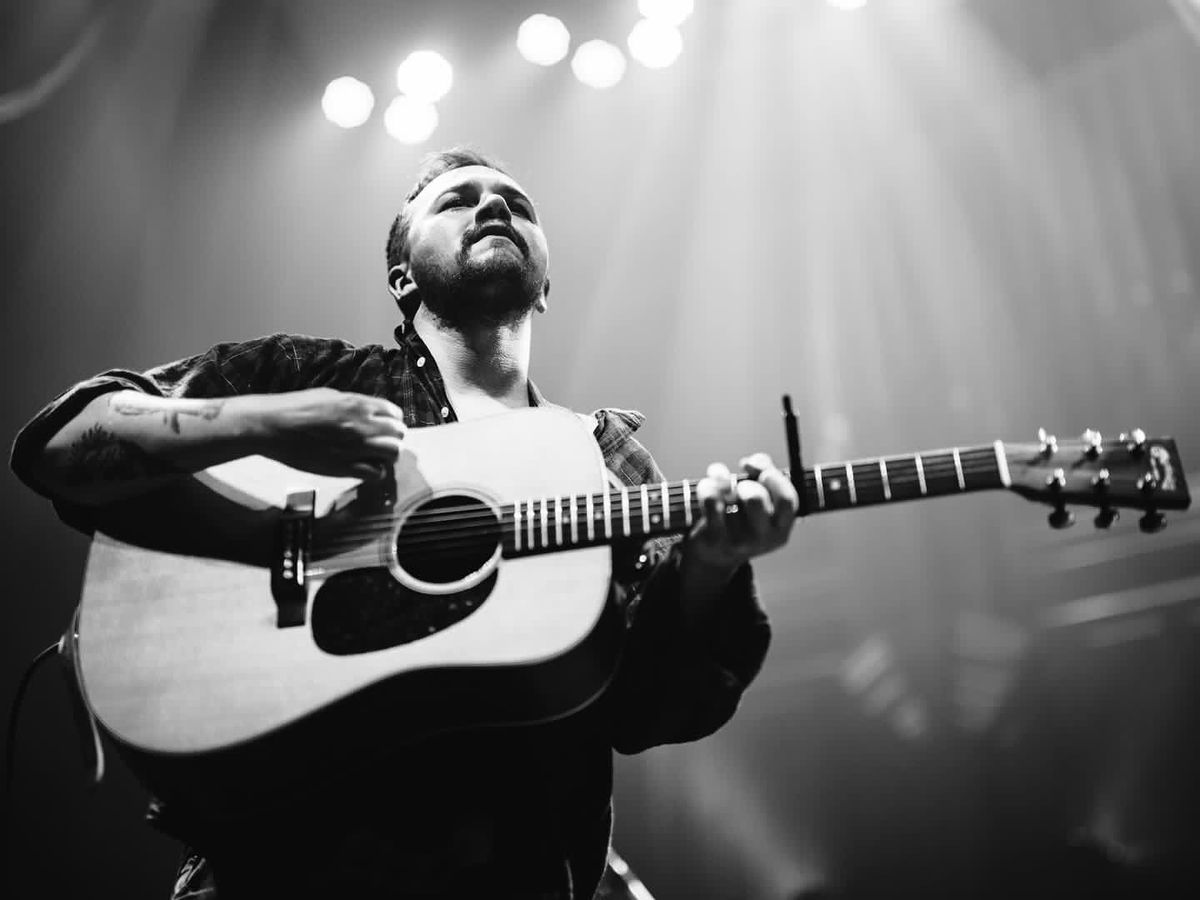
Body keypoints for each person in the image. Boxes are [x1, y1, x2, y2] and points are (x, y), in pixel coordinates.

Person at [10, 148, 799, 898]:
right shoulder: (312, 378)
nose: (493, 203)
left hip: (517, 872)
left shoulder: (609, 465)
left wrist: (710, 567)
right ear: (401, 277)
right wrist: (265, 423)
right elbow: (60, 445)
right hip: (277, 866)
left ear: (546, 283)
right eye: (457, 199)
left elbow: (645, 712)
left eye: (516, 203)